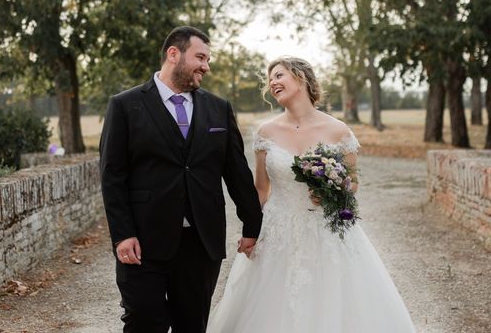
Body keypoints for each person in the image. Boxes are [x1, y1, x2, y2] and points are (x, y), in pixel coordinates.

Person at [207, 57, 417, 333]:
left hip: (325, 231)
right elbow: (261, 190)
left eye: (279, 75)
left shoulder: (339, 131)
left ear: (301, 78)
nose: (272, 83)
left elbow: (353, 184)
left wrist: (333, 190)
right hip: (278, 232)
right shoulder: (266, 132)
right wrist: (252, 231)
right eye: (270, 80)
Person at [100, 26, 263, 333]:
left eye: (208, 59)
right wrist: (122, 234)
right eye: (200, 57)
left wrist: (252, 225)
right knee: (143, 320)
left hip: (201, 243)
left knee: (192, 324)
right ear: (173, 54)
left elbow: (237, 172)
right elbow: (112, 176)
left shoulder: (219, 108)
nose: (207, 66)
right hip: (143, 241)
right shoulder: (125, 105)